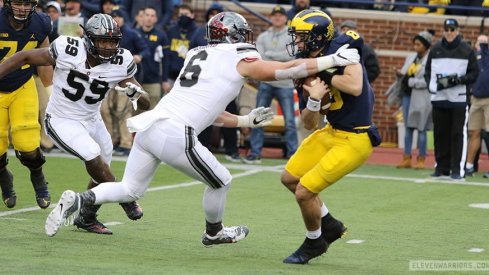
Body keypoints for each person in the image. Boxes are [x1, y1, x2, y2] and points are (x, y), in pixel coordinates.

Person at [43, 11, 361, 244]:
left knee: (130, 190)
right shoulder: (238, 54)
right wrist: (327, 61)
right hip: (174, 131)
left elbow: (213, 112)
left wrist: (247, 120)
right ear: (234, 36)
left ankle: (80, 200)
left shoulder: (198, 53)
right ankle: (213, 233)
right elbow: (277, 71)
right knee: (221, 180)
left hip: (152, 125)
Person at [0, 13, 150, 233]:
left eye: (112, 41)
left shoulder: (121, 60)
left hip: (92, 119)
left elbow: (146, 102)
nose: (109, 47)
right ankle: (125, 197)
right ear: (89, 39)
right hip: (62, 119)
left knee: (101, 169)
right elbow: (24, 57)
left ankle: (87, 217)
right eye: (103, 41)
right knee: (92, 154)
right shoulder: (68, 48)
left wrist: (136, 93)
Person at [280, 9, 378, 264]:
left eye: (302, 37)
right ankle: (330, 225)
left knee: (304, 192)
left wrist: (327, 73)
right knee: (290, 178)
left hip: (355, 138)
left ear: (319, 36)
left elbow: (355, 87)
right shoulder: (305, 66)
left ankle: (314, 242)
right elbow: (310, 123)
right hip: (331, 131)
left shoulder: (342, 48)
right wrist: (313, 101)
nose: (297, 43)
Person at [0, 0, 52, 209]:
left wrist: (51, 92)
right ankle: (4, 178)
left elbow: (46, 58)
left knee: (28, 141)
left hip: (22, 85)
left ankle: (38, 177)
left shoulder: (40, 24)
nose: (22, 8)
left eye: (27, 3)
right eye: (18, 3)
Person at [424, 18, 479, 181]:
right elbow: (428, 72)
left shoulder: (466, 50)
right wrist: (431, 87)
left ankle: (457, 169)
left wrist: (458, 80)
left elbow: (474, 74)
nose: (449, 32)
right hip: (439, 98)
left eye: (452, 29)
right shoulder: (435, 49)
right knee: (440, 134)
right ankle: (441, 168)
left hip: (458, 100)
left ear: (458, 30)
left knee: (457, 134)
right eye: (446, 29)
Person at [244, 5, 298, 163]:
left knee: (289, 121)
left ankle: (292, 153)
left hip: (285, 83)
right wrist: (275, 58)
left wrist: (271, 55)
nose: (277, 18)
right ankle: (255, 152)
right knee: (259, 118)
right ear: (271, 17)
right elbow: (259, 57)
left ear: (285, 18)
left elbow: (291, 55)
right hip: (266, 82)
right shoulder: (263, 36)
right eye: (275, 15)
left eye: (280, 15)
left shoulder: (291, 35)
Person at [102, 7, 149, 156]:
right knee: (104, 110)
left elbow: (145, 49)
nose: (116, 20)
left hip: (125, 78)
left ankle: (126, 143)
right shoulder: (105, 34)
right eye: (113, 17)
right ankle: (109, 140)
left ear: (123, 19)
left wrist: (139, 56)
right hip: (108, 77)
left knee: (122, 111)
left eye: (118, 17)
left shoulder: (132, 34)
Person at [395, 30, 434, 169]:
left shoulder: (431, 60)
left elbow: (429, 81)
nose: (415, 47)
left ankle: (421, 159)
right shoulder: (411, 57)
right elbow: (406, 72)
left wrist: (412, 82)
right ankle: (406, 158)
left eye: (418, 44)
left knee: (421, 128)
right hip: (407, 96)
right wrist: (400, 74)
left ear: (426, 45)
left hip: (422, 97)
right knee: (408, 127)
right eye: (414, 44)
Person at [465, 34, 489, 177]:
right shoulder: (472, 58)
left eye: (485, 42)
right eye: (480, 42)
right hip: (475, 98)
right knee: (473, 132)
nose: (482, 45)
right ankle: (468, 166)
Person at [137, 6, 169, 110]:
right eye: (147, 15)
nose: (149, 18)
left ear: (156, 19)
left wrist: (164, 80)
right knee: (133, 115)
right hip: (135, 81)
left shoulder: (161, 36)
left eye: (152, 16)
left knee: (152, 112)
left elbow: (165, 59)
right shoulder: (134, 34)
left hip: (153, 82)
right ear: (142, 17)